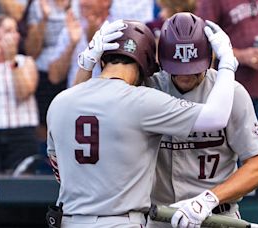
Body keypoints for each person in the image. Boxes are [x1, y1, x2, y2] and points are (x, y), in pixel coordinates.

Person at [47, 18, 238, 228]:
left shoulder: (59, 103)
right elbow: (216, 117)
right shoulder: (142, 100)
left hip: (68, 221)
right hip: (121, 222)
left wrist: (85, 63)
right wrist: (227, 64)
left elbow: (59, 170)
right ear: (146, 64)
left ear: (101, 60)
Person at [145, 13, 258, 228]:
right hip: (160, 216)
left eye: (193, 68)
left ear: (209, 58)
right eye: (177, 69)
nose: (185, 76)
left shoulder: (232, 92)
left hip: (217, 216)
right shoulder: (148, 89)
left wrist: (209, 199)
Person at [195, 0, 258, 178]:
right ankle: (246, 205)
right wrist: (240, 55)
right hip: (230, 91)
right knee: (237, 158)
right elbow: (203, 44)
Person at [0, 14, 39, 174]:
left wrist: (11, 60)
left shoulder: (25, 62)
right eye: (8, 30)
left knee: (23, 187)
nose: (15, 35)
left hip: (20, 135)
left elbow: (24, 92)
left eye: (16, 30)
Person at [25, 0, 70, 151]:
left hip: (72, 66)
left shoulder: (79, 3)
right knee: (45, 122)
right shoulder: (38, 5)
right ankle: (47, 159)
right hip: (44, 69)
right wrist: (44, 18)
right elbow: (31, 51)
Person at [48, 0, 112, 87]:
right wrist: (72, 44)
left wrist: (92, 40)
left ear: (106, 2)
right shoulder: (73, 28)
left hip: (107, 97)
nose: (82, 2)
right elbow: (54, 77)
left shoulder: (117, 28)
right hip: (74, 97)